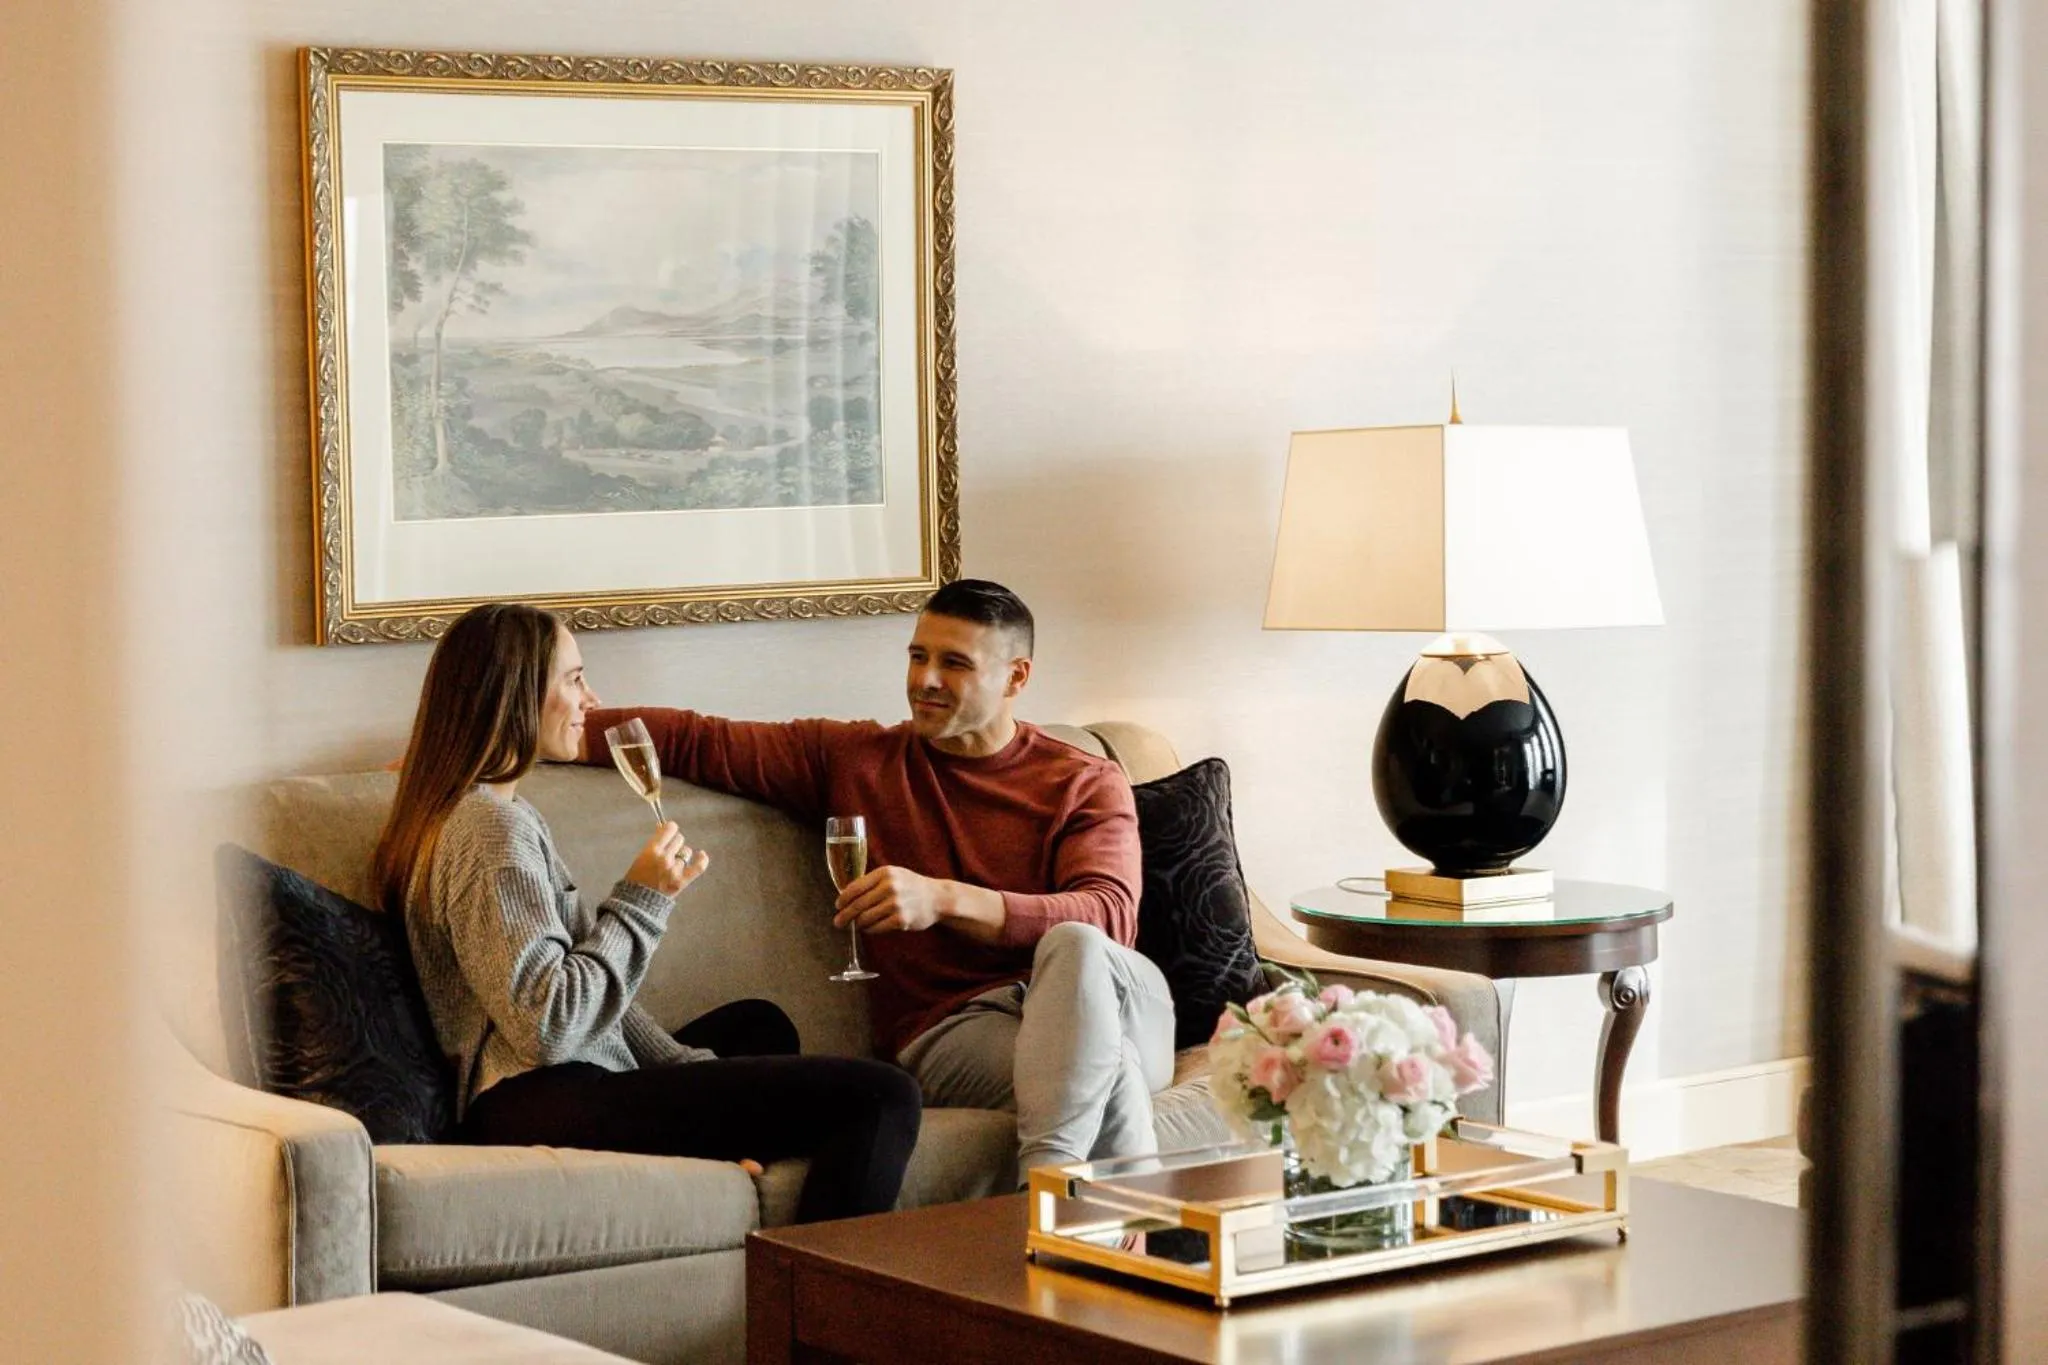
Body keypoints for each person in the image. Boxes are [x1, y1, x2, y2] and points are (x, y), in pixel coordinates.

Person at [580, 579, 1174, 1174]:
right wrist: (542, 727)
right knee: (1105, 1067)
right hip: (960, 1030)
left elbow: (1108, 917)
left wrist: (943, 899)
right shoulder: (857, 758)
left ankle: (1042, 1203)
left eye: (955, 664)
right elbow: (696, 739)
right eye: (918, 656)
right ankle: (1087, 1230)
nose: (925, 681)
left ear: (1016, 677)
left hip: (1114, 1001)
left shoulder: (1083, 779)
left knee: (1074, 948)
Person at [374, 602, 920, 1223]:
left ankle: (710, 1141)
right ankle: (819, 1307)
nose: (590, 697)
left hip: (552, 1083)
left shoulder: (485, 811)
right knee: (884, 1097)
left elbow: (594, 1013)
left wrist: (691, 1075)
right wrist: (642, 899)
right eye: (574, 679)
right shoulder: (489, 828)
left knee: (758, 1027)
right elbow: (547, 1025)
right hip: (539, 1097)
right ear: (518, 694)